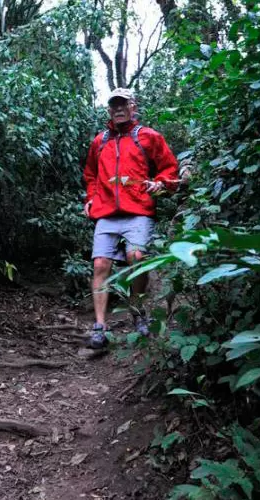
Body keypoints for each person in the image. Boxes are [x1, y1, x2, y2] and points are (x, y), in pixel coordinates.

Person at [82, 88, 179, 349]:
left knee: (136, 257)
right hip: (106, 212)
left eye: (123, 104)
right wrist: (90, 198)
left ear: (133, 107)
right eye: (114, 105)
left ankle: (137, 313)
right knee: (100, 264)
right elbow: (90, 175)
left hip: (138, 210)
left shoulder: (148, 137)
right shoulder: (100, 141)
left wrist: (160, 183)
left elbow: (170, 168)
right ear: (109, 110)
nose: (119, 109)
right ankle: (99, 328)